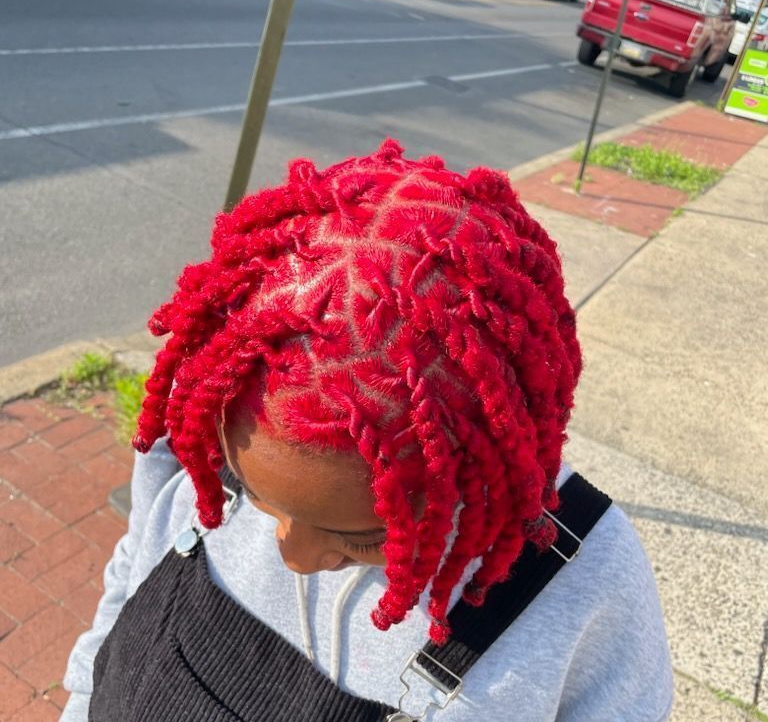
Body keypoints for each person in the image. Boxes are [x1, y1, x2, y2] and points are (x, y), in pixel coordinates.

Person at [62, 140, 673, 721]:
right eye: (251, 495)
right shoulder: (216, 417)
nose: (293, 556)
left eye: (360, 538)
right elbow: (126, 588)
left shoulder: (586, 585)